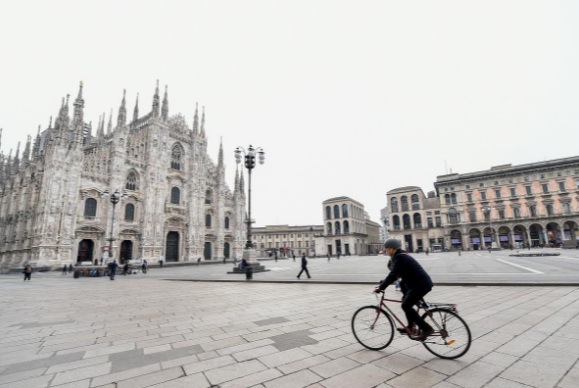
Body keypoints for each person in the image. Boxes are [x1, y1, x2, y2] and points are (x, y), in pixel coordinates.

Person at [375, 238, 433, 341]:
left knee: (406, 305)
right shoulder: (401, 255)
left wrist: (381, 287)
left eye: (387, 248)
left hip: (421, 284)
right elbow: (397, 276)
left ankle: (427, 328)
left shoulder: (400, 258)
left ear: (392, 249)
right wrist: (384, 282)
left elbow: (393, 274)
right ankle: (410, 327)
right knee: (405, 301)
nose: (385, 251)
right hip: (419, 283)